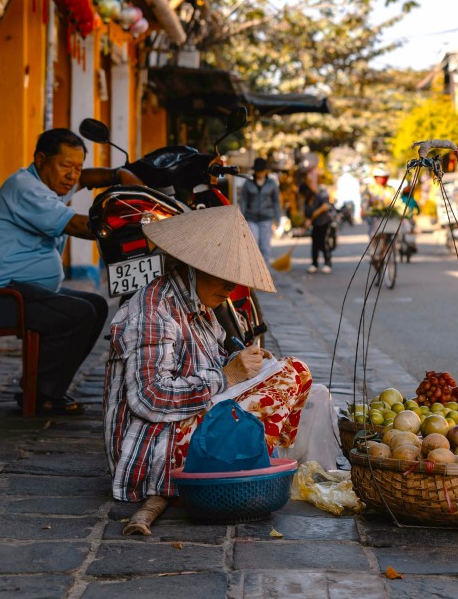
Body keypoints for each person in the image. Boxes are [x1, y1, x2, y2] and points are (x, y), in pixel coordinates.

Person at [104, 205, 316, 535]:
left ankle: (250, 458)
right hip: (155, 450)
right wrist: (228, 376)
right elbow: (149, 397)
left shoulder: (200, 308)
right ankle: (245, 461)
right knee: (292, 374)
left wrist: (247, 365)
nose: (231, 287)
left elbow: (213, 360)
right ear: (192, 267)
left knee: (293, 374)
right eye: (221, 275)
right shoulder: (154, 310)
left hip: (185, 424)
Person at [0, 128, 139, 415]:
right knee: (78, 313)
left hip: (22, 292)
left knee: (94, 305)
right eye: (65, 166)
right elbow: (78, 226)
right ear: (41, 159)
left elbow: (86, 179)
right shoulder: (26, 189)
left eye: (77, 166)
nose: (72, 175)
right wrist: (134, 224)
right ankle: (40, 393)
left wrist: (118, 176)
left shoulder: (47, 184)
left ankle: (47, 386)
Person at [239, 157, 281, 263]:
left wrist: (278, 218)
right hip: (251, 218)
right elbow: (243, 201)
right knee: (253, 245)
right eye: (258, 171)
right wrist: (241, 218)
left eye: (262, 171)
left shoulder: (271, 183)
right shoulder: (248, 183)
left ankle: (265, 274)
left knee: (265, 246)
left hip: (266, 218)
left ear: (265, 171)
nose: (260, 173)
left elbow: (276, 201)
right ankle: (254, 272)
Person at [299, 181, 334, 273]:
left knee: (324, 243)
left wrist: (315, 213)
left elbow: (326, 206)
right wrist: (306, 224)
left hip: (324, 223)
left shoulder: (317, 197)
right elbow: (307, 216)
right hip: (315, 225)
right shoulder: (307, 202)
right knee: (315, 244)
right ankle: (314, 264)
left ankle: (327, 263)